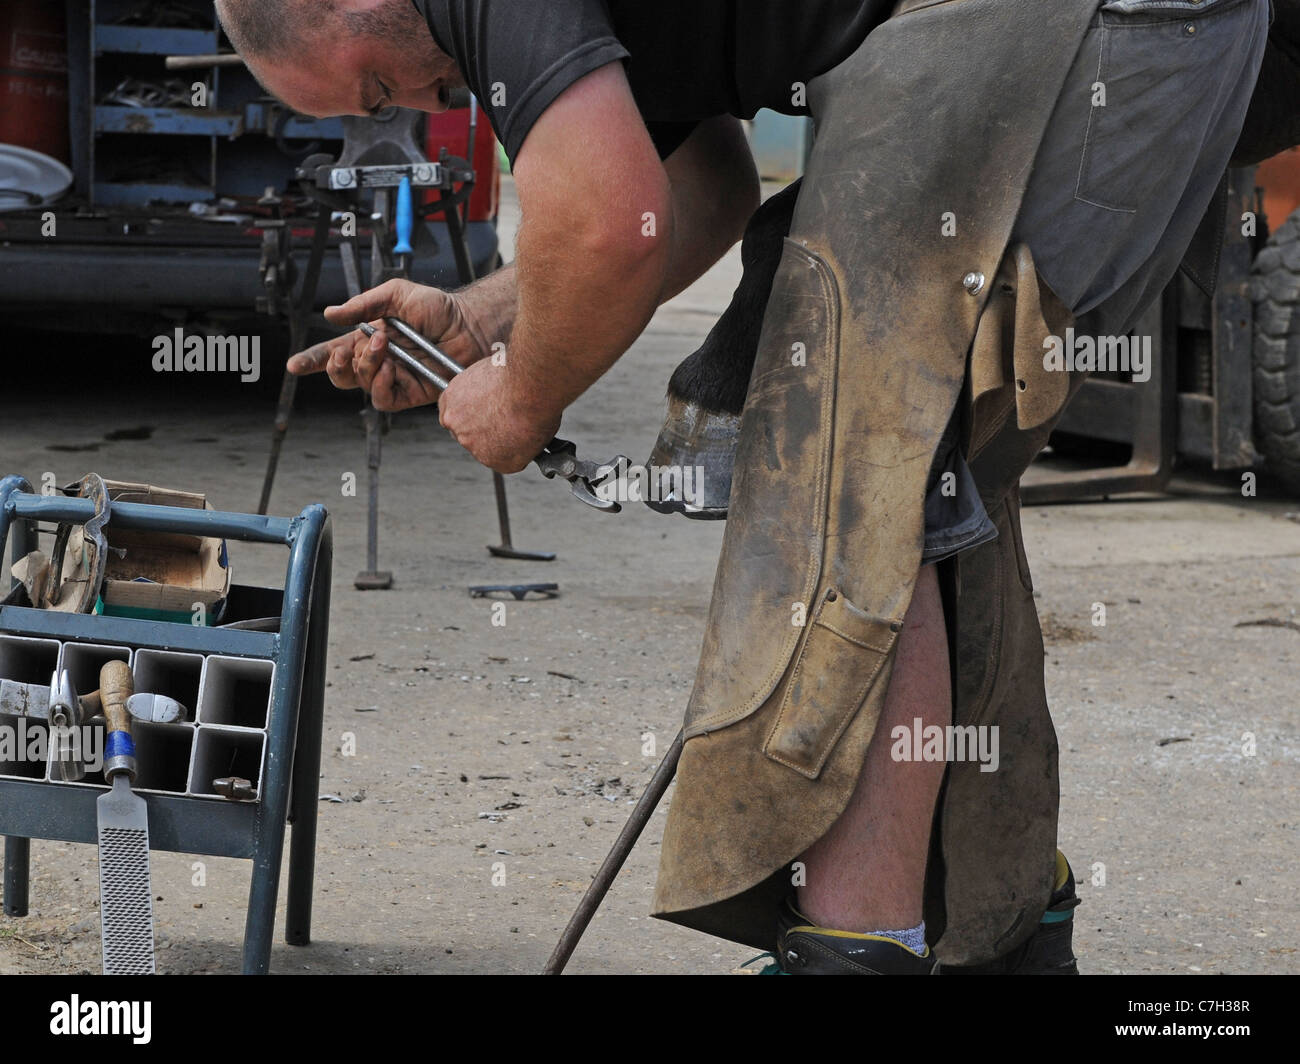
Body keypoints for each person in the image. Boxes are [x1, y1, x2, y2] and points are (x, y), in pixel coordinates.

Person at [215, 0, 1277, 973]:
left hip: (1096, 27)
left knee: (847, 423)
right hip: (1117, 31)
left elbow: (603, 226)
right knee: (916, 441)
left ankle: (860, 946)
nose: (412, 108)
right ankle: (999, 920)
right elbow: (700, 189)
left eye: (373, 88)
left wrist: (523, 400)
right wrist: (491, 323)